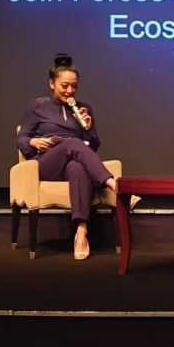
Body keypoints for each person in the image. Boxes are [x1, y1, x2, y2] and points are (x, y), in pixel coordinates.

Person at [16, 54, 117, 261]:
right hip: (46, 164)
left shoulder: (83, 109)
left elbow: (93, 147)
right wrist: (33, 142)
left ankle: (81, 232)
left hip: (71, 162)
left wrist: (87, 129)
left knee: (77, 168)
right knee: (71, 143)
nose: (70, 91)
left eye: (74, 86)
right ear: (51, 84)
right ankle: (112, 183)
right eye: (64, 86)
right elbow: (21, 138)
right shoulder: (37, 106)